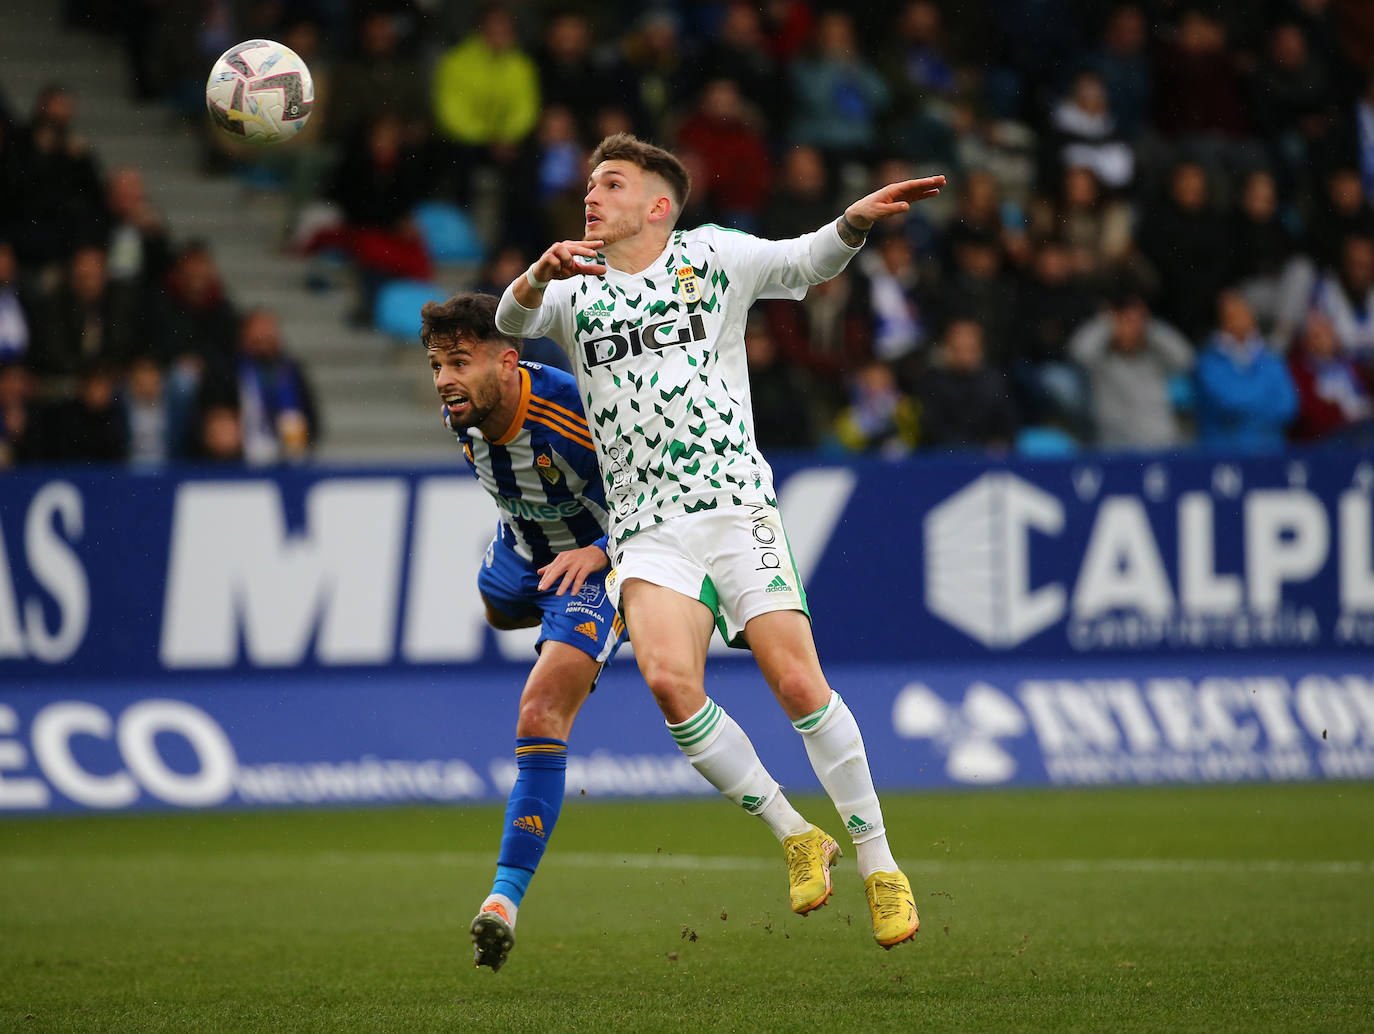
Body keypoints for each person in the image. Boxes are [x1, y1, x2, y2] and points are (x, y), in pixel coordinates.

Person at [496, 132, 944, 949]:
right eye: (590, 185)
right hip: (645, 528)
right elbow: (509, 321)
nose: (591, 197)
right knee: (670, 682)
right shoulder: (572, 287)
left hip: (735, 508)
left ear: (657, 206)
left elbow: (805, 262)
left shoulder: (712, 258)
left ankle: (880, 863)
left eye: (611, 185)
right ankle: (795, 835)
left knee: (798, 684)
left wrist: (854, 221)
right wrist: (537, 273)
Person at [422, 293, 625, 972]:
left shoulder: (575, 411)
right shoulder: (463, 413)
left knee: (540, 711)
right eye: (434, 363)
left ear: (508, 362)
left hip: (598, 562)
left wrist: (599, 554)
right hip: (520, 554)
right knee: (497, 606)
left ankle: (502, 901)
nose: (444, 378)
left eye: (459, 361)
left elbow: (657, 496)